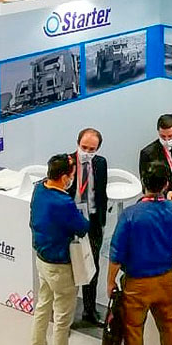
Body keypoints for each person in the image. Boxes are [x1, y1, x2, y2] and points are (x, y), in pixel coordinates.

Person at [108, 162, 172, 345]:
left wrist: (110, 282)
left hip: (136, 284)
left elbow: (116, 253)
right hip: (165, 280)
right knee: (169, 327)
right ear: (166, 184)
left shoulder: (130, 214)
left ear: (143, 183)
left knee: (134, 332)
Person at [29, 154, 89, 345]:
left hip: (42, 259)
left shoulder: (39, 189)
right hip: (60, 265)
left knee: (43, 307)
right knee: (62, 318)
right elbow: (82, 227)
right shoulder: (63, 202)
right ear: (64, 177)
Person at [67, 129, 108, 326]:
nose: (87, 152)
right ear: (77, 144)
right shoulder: (66, 163)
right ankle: (66, 313)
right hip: (70, 221)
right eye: (84, 148)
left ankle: (89, 310)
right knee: (69, 267)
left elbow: (101, 193)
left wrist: (101, 221)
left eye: (92, 149)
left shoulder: (100, 163)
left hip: (92, 221)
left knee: (92, 267)